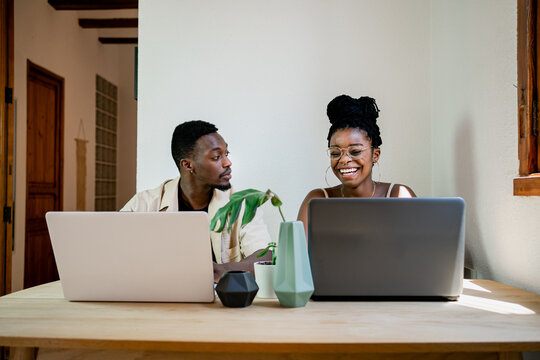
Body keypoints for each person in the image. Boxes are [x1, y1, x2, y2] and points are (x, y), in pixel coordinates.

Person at [121, 120, 271, 281]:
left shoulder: (243, 204)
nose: (228, 163)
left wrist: (220, 270)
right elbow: (116, 251)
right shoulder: (143, 203)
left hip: (220, 303)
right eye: (216, 156)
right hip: (157, 297)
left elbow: (266, 255)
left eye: (226, 154)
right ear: (187, 165)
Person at [297, 95, 416, 233]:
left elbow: (422, 250)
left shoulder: (398, 196)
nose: (344, 160)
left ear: (375, 155)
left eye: (355, 151)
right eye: (335, 153)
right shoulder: (317, 200)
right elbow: (297, 253)